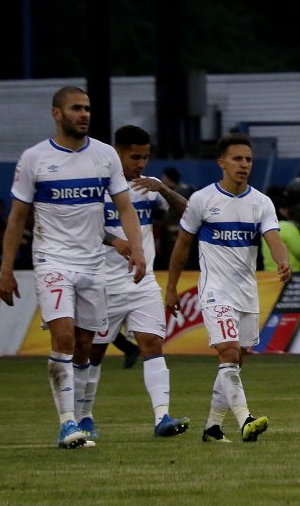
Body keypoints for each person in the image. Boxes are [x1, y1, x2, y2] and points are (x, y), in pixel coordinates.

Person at [0, 86, 146, 449]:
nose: (84, 114)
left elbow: (125, 208)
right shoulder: (34, 159)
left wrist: (137, 250)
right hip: (52, 260)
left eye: (87, 109)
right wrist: (6, 269)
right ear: (57, 114)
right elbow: (17, 218)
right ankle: (66, 425)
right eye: (76, 108)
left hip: (93, 262)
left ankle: (84, 415)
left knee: (86, 346)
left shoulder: (105, 155)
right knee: (63, 338)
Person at [165, 133, 291, 443]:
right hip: (214, 291)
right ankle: (245, 419)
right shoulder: (202, 200)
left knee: (236, 358)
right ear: (222, 162)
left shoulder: (261, 202)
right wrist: (171, 287)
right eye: (237, 158)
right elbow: (182, 245)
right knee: (229, 351)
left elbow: (273, 238)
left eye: (248, 159)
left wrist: (282, 261)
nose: (244, 164)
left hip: (246, 293)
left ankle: (212, 427)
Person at [75, 125, 190, 440]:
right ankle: (84, 416)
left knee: (152, 345)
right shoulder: (98, 188)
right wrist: (115, 242)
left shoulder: (147, 189)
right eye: (134, 156)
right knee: (93, 353)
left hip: (142, 282)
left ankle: (162, 417)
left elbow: (189, 213)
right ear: (117, 153)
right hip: (103, 283)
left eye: (145, 157)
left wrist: (163, 189)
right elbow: (85, 228)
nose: (140, 163)